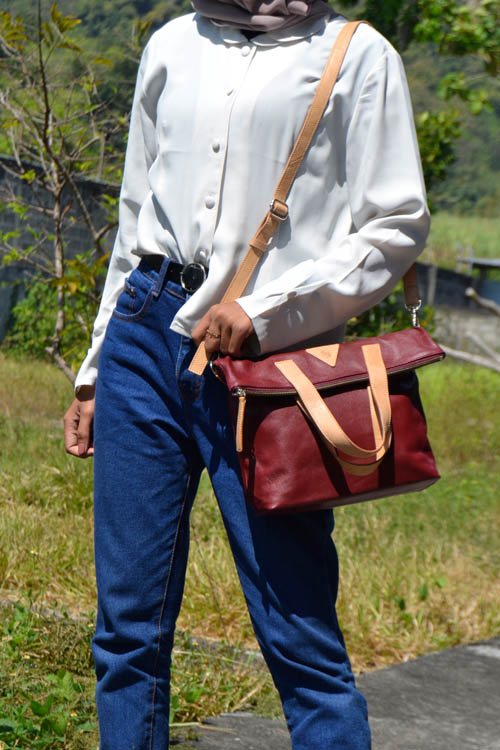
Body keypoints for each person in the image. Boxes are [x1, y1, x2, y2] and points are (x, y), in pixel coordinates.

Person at [64, 1, 430, 747]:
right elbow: (136, 214)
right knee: (126, 631)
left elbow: (396, 224)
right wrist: (97, 366)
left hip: (271, 371)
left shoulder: (357, 55)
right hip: (145, 333)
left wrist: (266, 311)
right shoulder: (174, 42)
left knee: (299, 638)